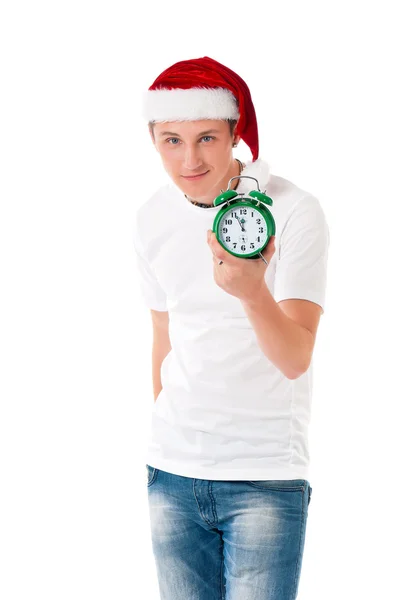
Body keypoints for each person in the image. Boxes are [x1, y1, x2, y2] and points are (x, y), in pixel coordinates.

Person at [133, 56, 330, 600]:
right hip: (170, 475)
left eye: (207, 139)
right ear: (154, 138)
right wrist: (171, 433)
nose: (189, 159)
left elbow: (295, 356)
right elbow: (163, 338)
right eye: (171, 140)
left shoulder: (293, 211)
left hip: (264, 475)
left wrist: (251, 291)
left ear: (235, 134)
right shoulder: (150, 217)